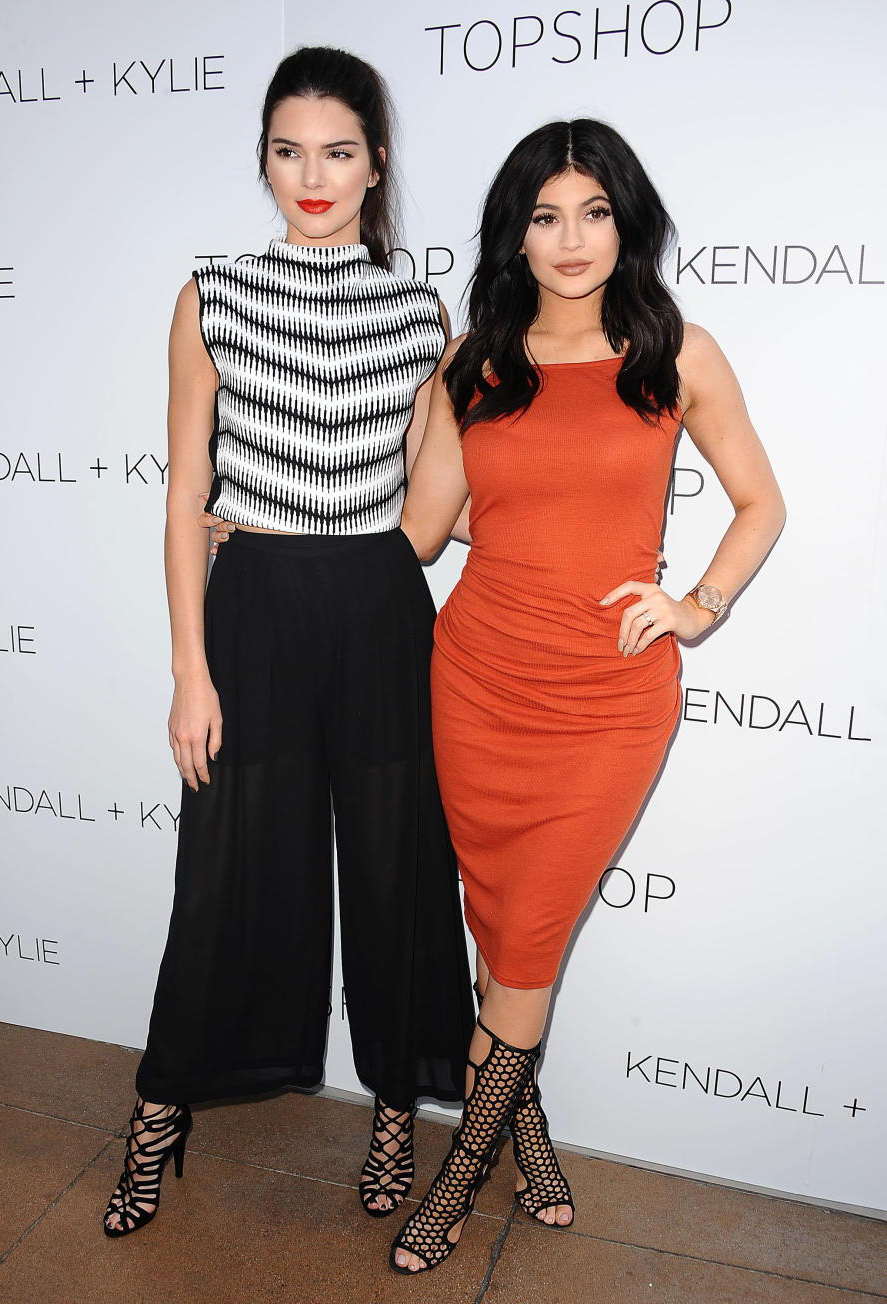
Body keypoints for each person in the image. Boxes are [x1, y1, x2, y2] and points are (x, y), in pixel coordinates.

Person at [386, 119, 786, 1274]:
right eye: (545, 214)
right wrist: (270, 531)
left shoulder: (679, 352)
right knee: (498, 928)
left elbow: (761, 502)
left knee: (528, 936)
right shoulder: (477, 362)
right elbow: (425, 532)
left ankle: (456, 1178)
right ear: (515, 230)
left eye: (594, 212)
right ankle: (534, 1139)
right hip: (473, 676)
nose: (570, 239)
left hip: (607, 701)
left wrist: (696, 602)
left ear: (628, 220)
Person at [102, 46, 474, 1238]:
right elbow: (179, 495)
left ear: (376, 166)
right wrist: (189, 671)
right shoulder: (210, 294)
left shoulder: (421, 312)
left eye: (339, 151)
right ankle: (158, 1115)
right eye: (287, 149)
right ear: (263, 159)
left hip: (375, 609)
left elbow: (432, 508)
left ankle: (390, 1113)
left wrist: (374, 542)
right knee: (221, 878)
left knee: (394, 873)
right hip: (251, 605)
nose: (311, 176)